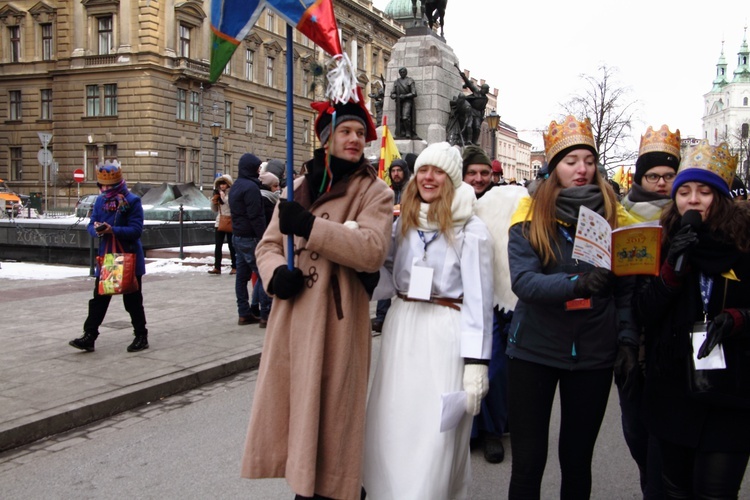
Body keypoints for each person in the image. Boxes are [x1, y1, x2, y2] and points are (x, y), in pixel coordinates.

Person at [240, 91, 393, 500]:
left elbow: (372, 250)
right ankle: (305, 487)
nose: (355, 138)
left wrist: (311, 227)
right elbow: (267, 246)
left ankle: (337, 491)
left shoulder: (374, 191)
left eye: (360, 132)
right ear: (327, 137)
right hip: (294, 319)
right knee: (298, 416)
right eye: (345, 130)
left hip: (337, 321)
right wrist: (274, 277)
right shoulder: (299, 186)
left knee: (334, 424)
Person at [506, 115, 638, 499]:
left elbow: (627, 289)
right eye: (570, 161)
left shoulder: (617, 217)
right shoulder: (529, 216)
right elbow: (525, 282)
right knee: (529, 463)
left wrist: (627, 339)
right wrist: (577, 283)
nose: (582, 169)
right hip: (533, 350)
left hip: (594, 353)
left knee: (577, 461)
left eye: (588, 160)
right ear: (553, 168)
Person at [363, 141, 494, 499]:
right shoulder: (402, 221)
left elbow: (479, 301)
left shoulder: (471, 229)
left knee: (434, 430)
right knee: (395, 419)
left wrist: (477, 363)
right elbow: (387, 276)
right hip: (403, 325)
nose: (428, 177)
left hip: (444, 330)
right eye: (423, 169)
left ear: (450, 179)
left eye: (437, 171)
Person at [633, 140, 750, 499]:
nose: (693, 200)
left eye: (704, 191)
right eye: (684, 191)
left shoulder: (744, 243)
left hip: (730, 392)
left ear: (722, 197)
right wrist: (672, 268)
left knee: (715, 492)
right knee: (672, 492)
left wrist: (738, 318)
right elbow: (644, 313)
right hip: (673, 390)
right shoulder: (661, 242)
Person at [617, 124, 681, 498]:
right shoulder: (619, 214)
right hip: (630, 339)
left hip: (671, 339)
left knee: (665, 441)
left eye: (669, 175)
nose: (661, 183)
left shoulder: (690, 214)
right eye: (653, 175)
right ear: (640, 177)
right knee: (635, 433)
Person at [69, 161, 149, 353]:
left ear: (117, 183)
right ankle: (90, 336)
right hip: (108, 258)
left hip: (127, 257)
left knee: (132, 300)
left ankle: (141, 335)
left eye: (109, 186)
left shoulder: (132, 201)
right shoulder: (100, 201)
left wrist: (113, 230)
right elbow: (90, 224)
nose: (105, 189)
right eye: (102, 186)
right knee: (99, 299)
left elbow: (136, 231)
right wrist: (96, 230)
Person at [371, 158, 411, 334]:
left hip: (407, 238)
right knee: (385, 278)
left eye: (399, 170)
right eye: (393, 170)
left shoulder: (411, 191)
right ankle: (381, 318)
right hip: (388, 236)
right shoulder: (386, 191)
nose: (396, 174)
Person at [229, 153, 266, 326]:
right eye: (258, 167)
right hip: (251, 237)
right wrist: (264, 237)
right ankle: (266, 314)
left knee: (241, 277)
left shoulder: (236, 186)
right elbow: (256, 215)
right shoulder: (251, 188)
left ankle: (243, 313)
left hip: (237, 235)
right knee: (265, 274)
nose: (259, 171)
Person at [248, 171, 281, 328]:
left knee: (258, 275)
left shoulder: (259, 196)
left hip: (250, 237)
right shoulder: (267, 200)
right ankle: (265, 313)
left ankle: (254, 306)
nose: (278, 189)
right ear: (269, 186)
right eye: (275, 186)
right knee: (264, 275)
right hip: (262, 240)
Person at [207, 174, 236, 275]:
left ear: (228, 184)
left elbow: (233, 206)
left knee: (232, 246)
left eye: (224, 184)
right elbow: (214, 210)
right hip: (220, 221)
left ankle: (234, 266)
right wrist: (214, 200)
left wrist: (224, 198)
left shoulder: (232, 193)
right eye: (220, 184)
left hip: (229, 221)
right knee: (218, 245)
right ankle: (217, 267)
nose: (222, 186)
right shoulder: (218, 193)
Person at [455, 63, 489, 145]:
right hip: (470, 110)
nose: (487, 91)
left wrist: (482, 117)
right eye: (486, 89)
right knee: (469, 125)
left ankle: (474, 141)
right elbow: (469, 84)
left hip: (477, 113)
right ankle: (468, 140)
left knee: (477, 128)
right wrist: (463, 76)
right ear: (483, 89)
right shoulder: (476, 92)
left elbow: (482, 108)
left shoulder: (486, 99)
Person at [391, 67, 418, 139]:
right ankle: (401, 132)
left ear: (406, 72)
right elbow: (392, 93)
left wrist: (405, 96)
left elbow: (414, 93)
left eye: (403, 72)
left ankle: (408, 131)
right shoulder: (396, 82)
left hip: (407, 101)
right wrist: (395, 96)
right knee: (399, 118)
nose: (402, 73)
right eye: (401, 72)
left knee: (405, 117)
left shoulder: (410, 80)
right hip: (399, 101)